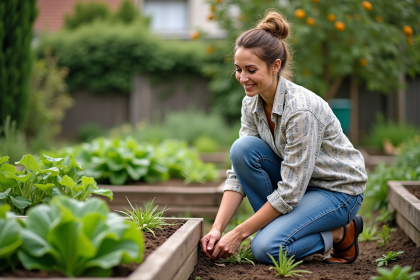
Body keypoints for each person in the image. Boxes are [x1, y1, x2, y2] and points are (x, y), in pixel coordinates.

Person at [200, 11, 368, 265]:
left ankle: (341, 233)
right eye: (238, 70)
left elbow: (289, 193)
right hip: (300, 187)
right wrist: (217, 228)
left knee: (266, 249)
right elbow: (238, 175)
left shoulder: (300, 111)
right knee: (242, 150)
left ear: (275, 66)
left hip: (337, 191)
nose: (242, 78)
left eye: (251, 70)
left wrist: (238, 234)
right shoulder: (251, 103)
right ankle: (281, 230)